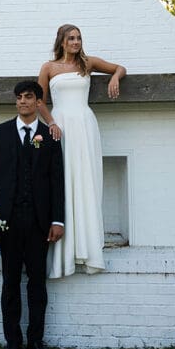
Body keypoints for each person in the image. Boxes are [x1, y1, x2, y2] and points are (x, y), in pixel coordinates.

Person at [0, 80, 65, 349]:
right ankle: (12, 344)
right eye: (18, 97)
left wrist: (58, 220)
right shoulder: (0, 132)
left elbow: (57, 180)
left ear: (38, 102)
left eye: (28, 97)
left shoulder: (50, 135)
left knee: (37, 284)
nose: (22, 102)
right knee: (10, 283)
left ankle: (36, 342)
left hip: (40, 223)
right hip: (7, 222)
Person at [37, 24, 126, 278]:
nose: (76, 42)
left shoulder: (88, 63)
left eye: (78, 38)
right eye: (71, 38)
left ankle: (88, 248)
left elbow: (120, 68)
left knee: (86, 181)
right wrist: (51, 122)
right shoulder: (48, 67)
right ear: (62, 42)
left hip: (85, 126)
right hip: (60, 126)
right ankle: (64, 252)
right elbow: (39, 99)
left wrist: (115, 77)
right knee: (63, 181)